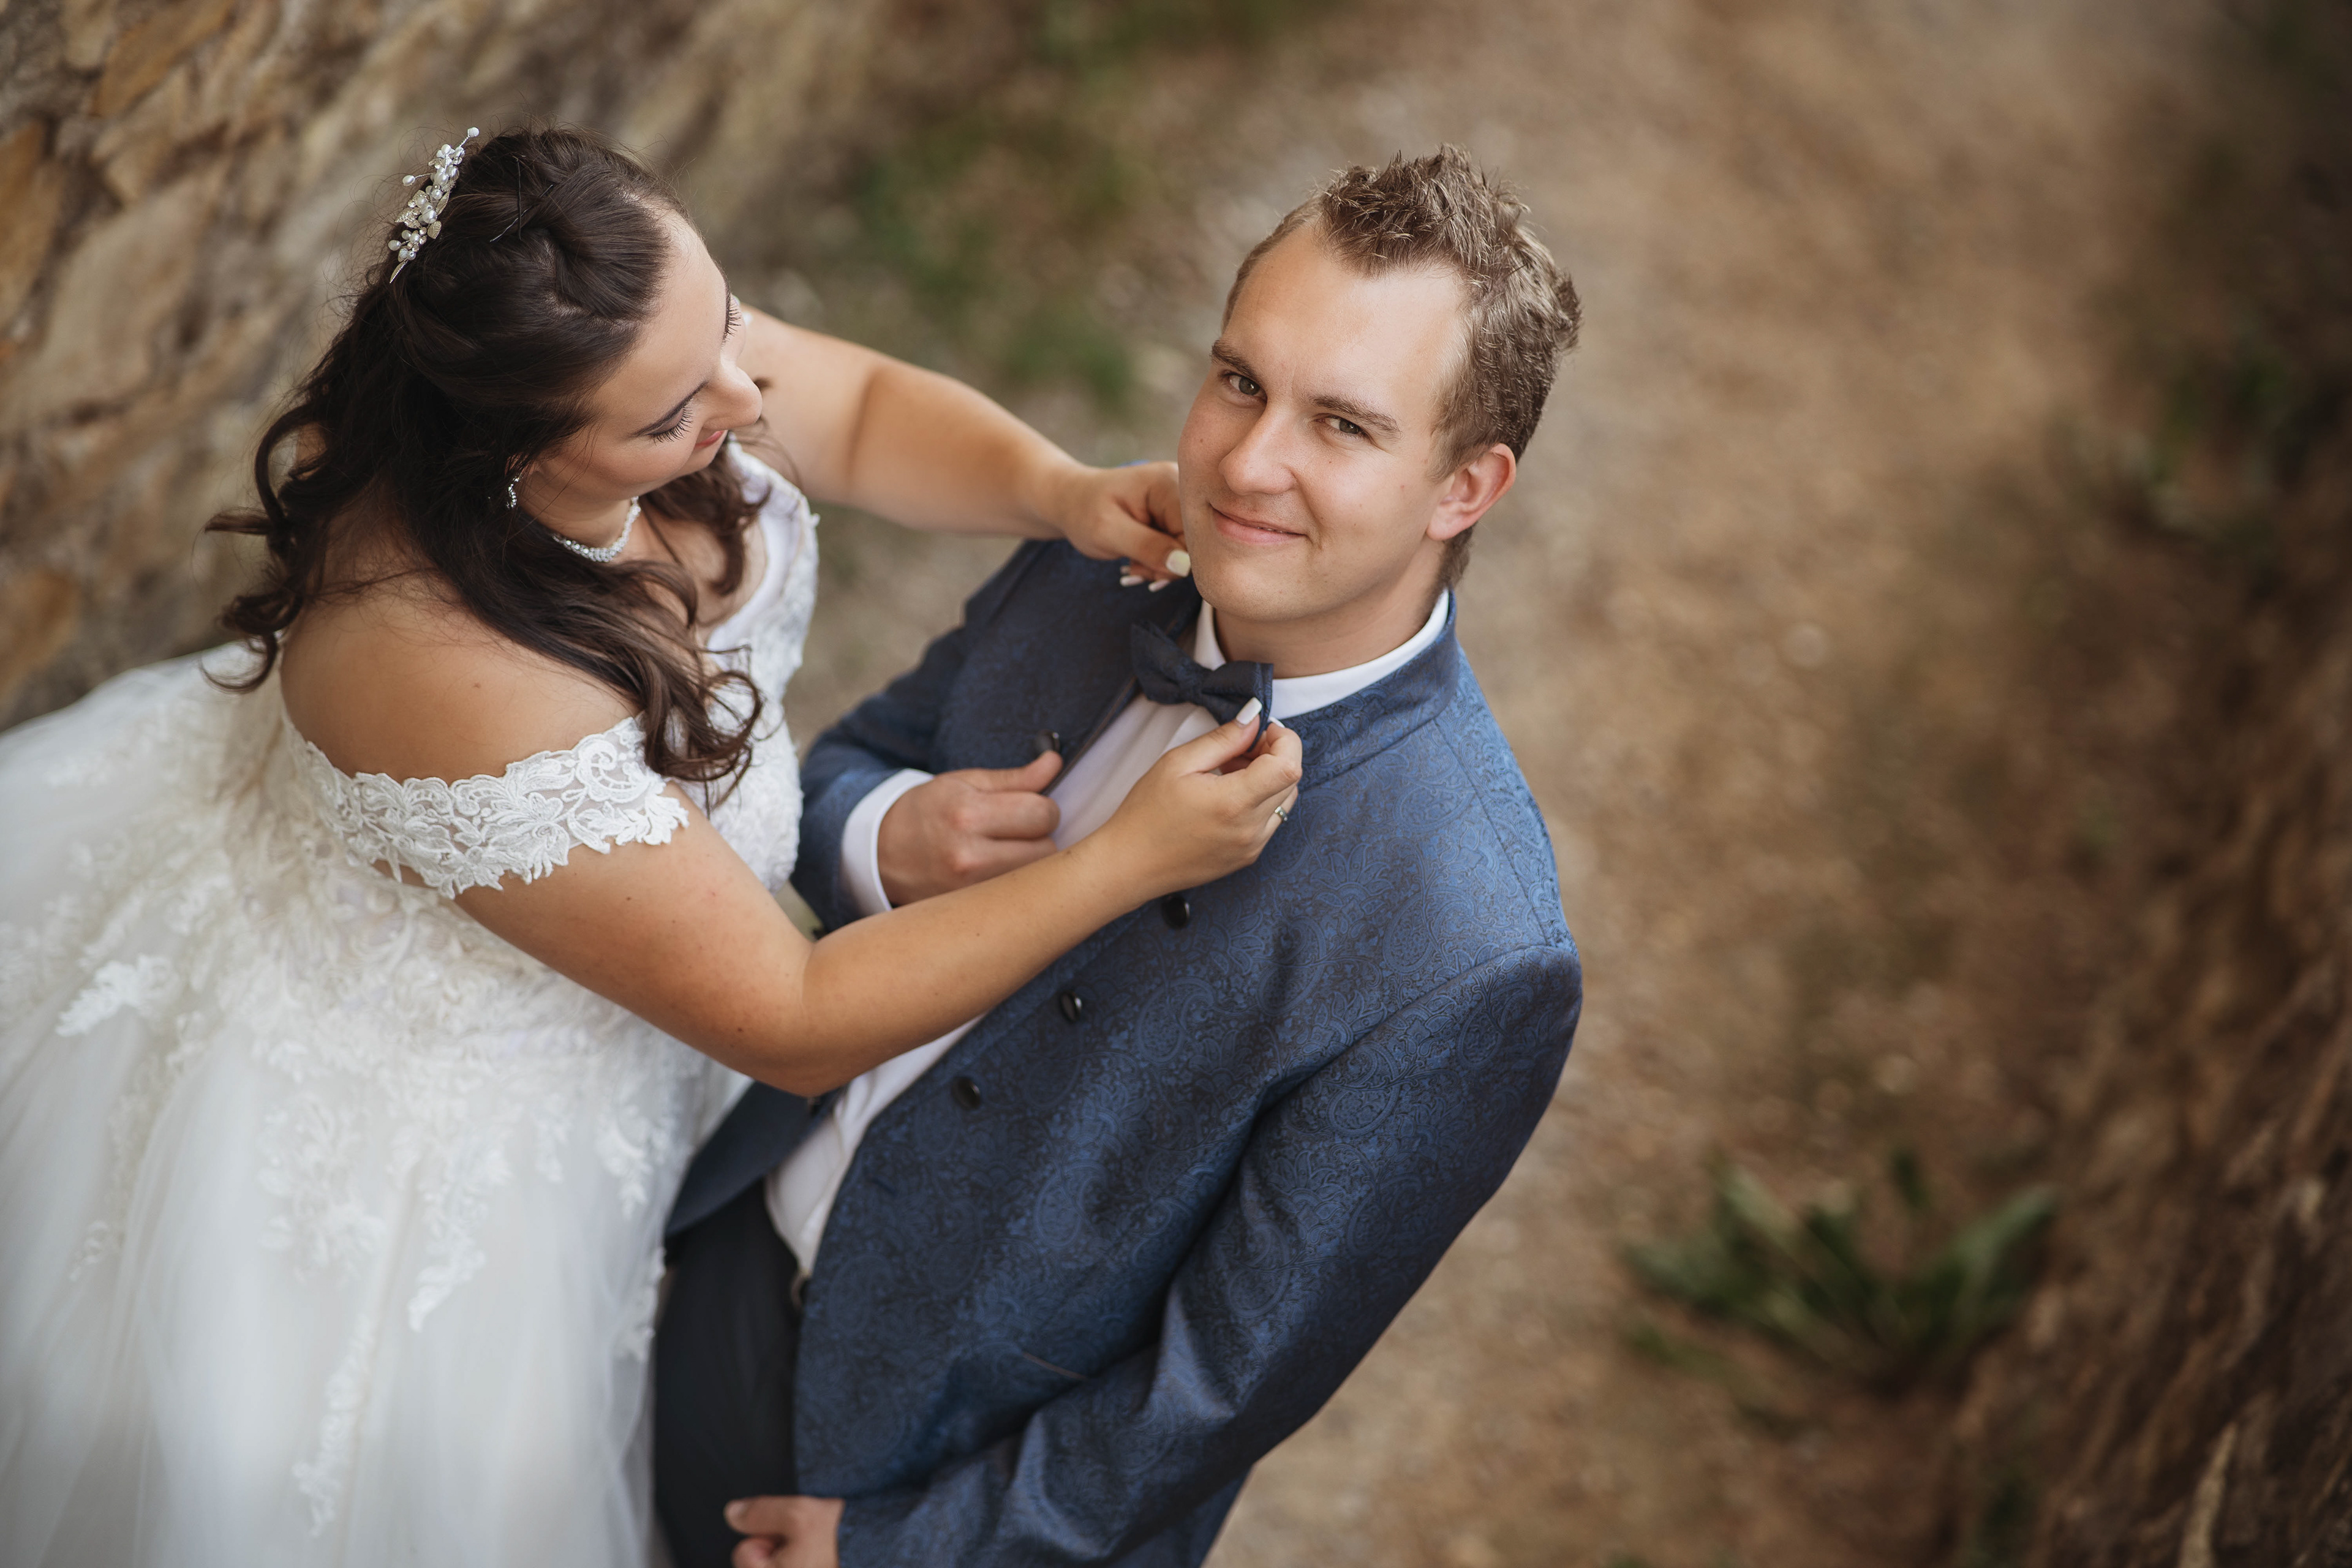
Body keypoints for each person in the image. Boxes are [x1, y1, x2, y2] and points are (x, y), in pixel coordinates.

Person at [0, 123, 1298, 1568]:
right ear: (515, 451)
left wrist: (1055, 486)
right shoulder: (437, 662)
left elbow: (853, 410)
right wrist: (1120, 862)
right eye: (678, 410)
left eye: (730, 328)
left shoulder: (631, 338)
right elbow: (793, 1019)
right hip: (399, 1119)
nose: (746, 399)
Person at [657, 146, 1584, 1568]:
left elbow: (1221, 1380)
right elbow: (837, 762)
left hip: (913, 1474)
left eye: (1340, 425)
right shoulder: (1100, 554)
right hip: (713, 1248)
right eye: (1238, 380)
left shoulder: (1472, 946)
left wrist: (907, 1545)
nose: (1245, 463)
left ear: (1467, 485)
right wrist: (880, 833)